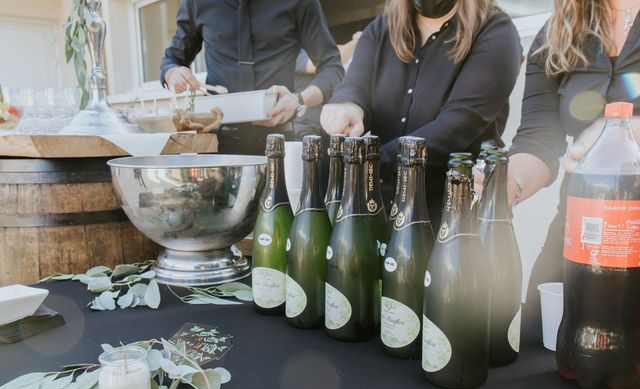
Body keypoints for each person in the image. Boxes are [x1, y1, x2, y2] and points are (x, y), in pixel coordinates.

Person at [503, 0, 640, 343]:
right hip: (578, 233)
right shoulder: (557, 32)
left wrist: (617, 133)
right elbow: (539, 139)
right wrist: (507, 185)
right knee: (536, 342)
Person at [320, 0, 522, 228]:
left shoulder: (495, 31)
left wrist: (370, 161)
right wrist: (349, 106)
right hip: (381, 209)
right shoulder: (381, 28)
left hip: (454, 217)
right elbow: (355, 84)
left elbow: (459, 124)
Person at [160, 0, 344, 154]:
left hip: (277, 143)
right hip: (215, 144)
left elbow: (332, 68)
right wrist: (174, 74)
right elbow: (172, 61)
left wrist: (299, 100)